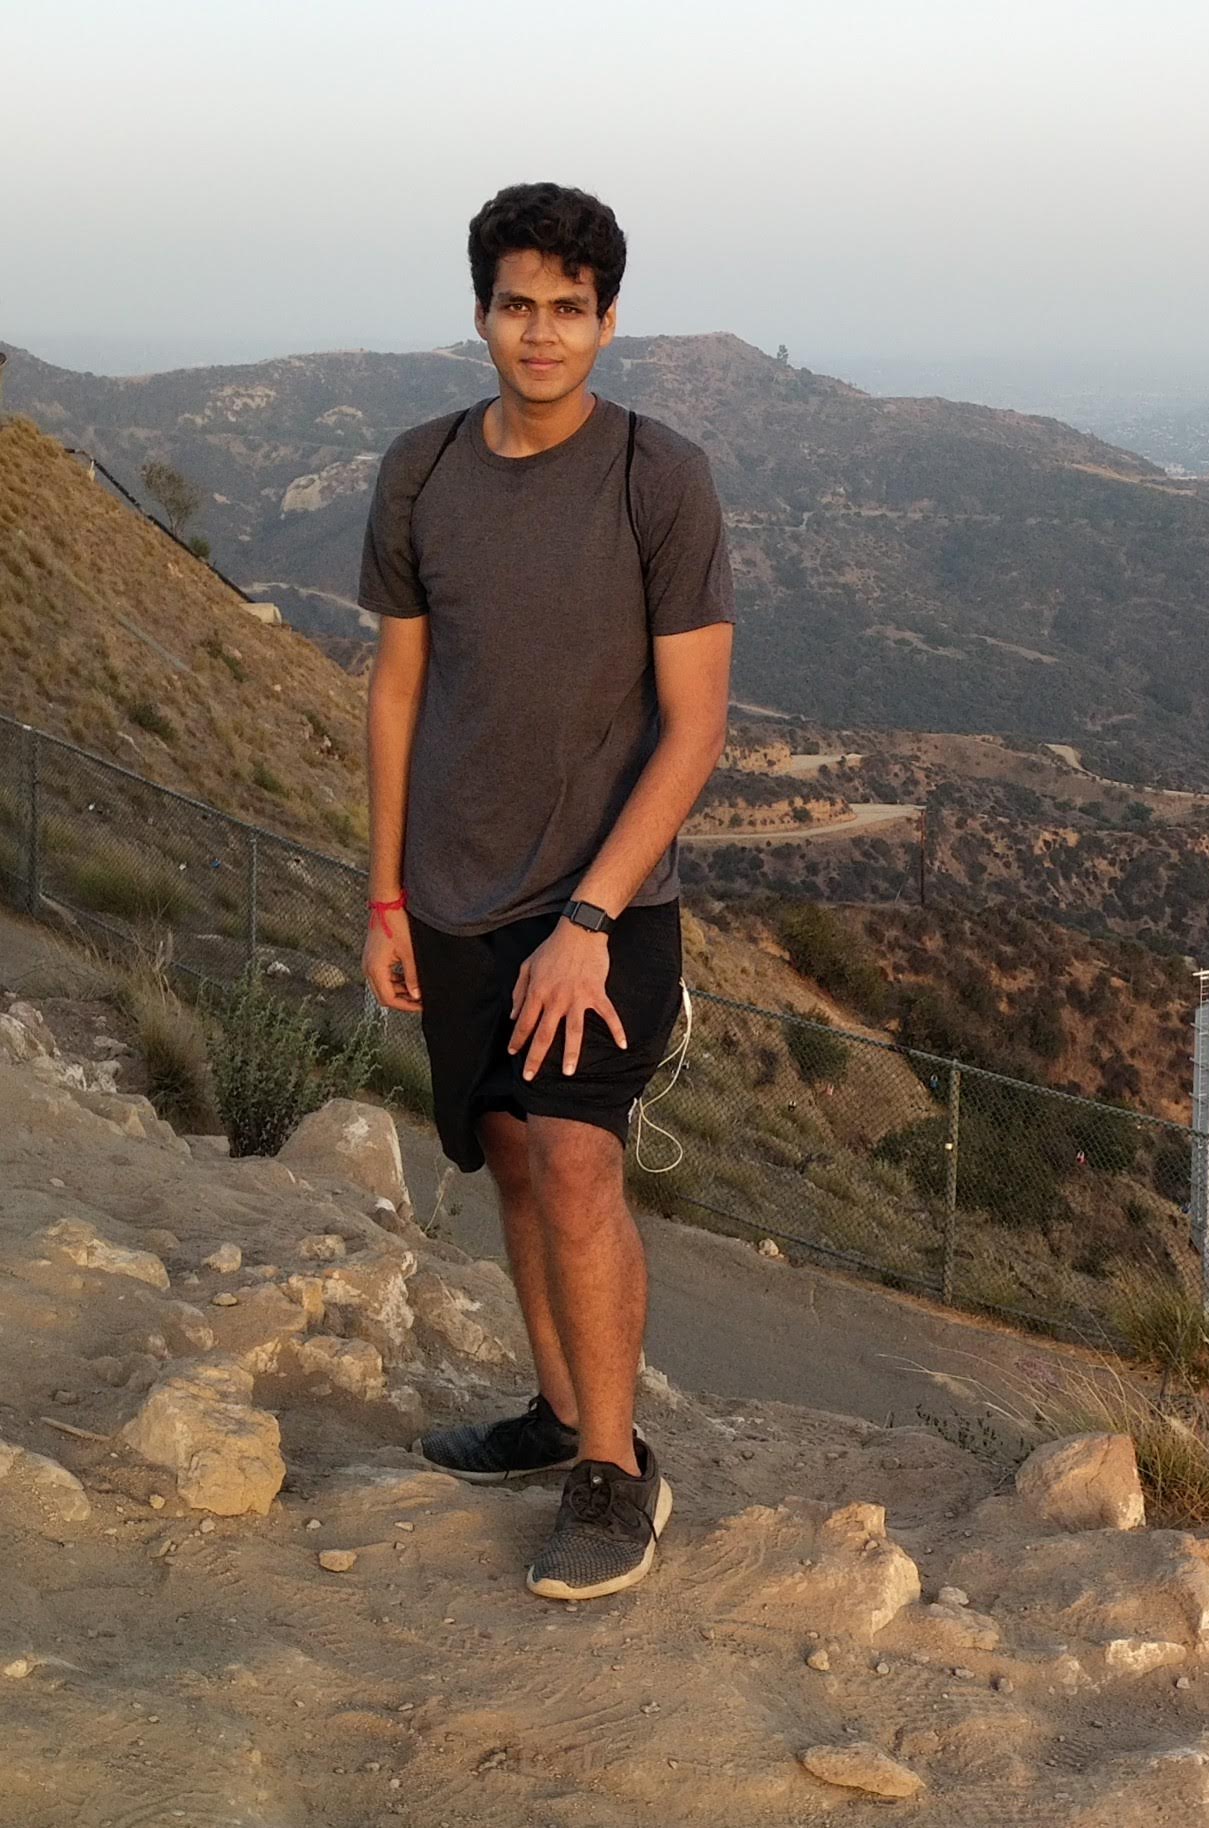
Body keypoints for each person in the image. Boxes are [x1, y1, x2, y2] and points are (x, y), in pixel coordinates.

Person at [358, 182, 737, 1603]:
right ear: (480, 313)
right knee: (510, 1153)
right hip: (451, 887)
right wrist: (385, 894)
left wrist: (586, 922)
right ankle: (552, 1407)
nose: (541, 331)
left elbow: (695, 724)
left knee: (578, 1159)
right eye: (517, 303)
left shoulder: (658, 477)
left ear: (607, 320)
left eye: (569, 308)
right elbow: (397, 689)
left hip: (607, 898)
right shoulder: (419, 473)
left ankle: (610, 1469)